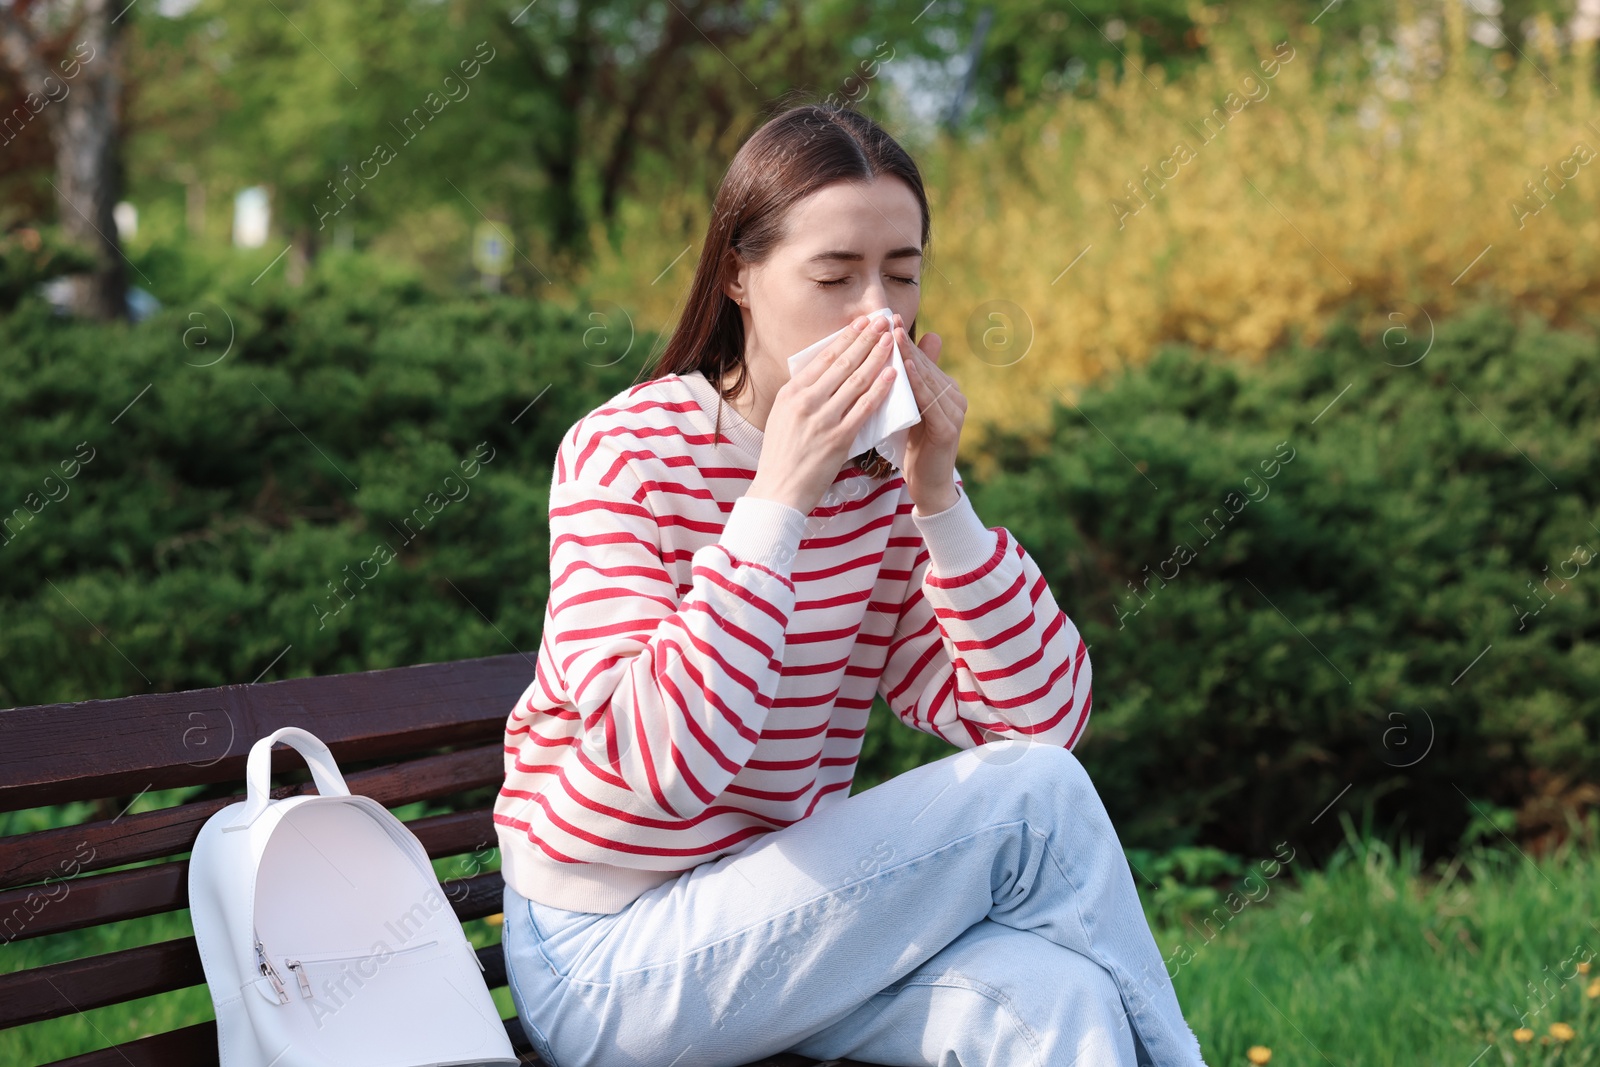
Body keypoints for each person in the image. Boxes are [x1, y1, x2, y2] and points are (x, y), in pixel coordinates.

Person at [494, 100, 1210, 1067]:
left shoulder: (881, 479)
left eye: (903, 275)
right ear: (740, 276)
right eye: (834, 275)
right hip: (610, 956)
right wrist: (780, 494)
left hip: (779, 924)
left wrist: (939, 493)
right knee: (1033, 798)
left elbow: (1038, 723)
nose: (879, 313)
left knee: (1057, 1001)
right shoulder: (625, 453)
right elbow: (657, 771)